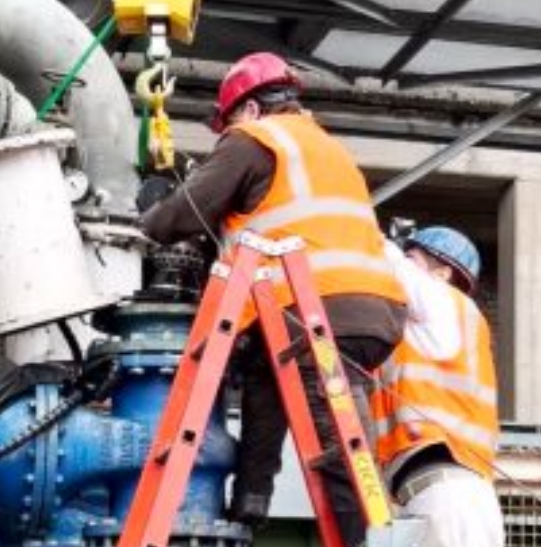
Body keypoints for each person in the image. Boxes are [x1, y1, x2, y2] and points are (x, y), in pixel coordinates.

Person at [139, 52, 407, 547]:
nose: (226, 134)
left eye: (228, 122)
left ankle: (353, 541)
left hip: (322, 309)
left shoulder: (256, 140)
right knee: (269, 370)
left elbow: (181, 215)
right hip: (370, 312)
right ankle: (252, 497)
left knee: (338, 447)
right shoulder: (329, 149)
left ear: (252, 109)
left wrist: (149, 216)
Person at [374, 227, 504, 547]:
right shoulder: (427, 329)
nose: (405, 264)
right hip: (452, 498)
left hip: (448, 497)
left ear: (443, 273)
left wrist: (365, 227)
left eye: (412, 258)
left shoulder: (443, 301)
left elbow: (391, 264)